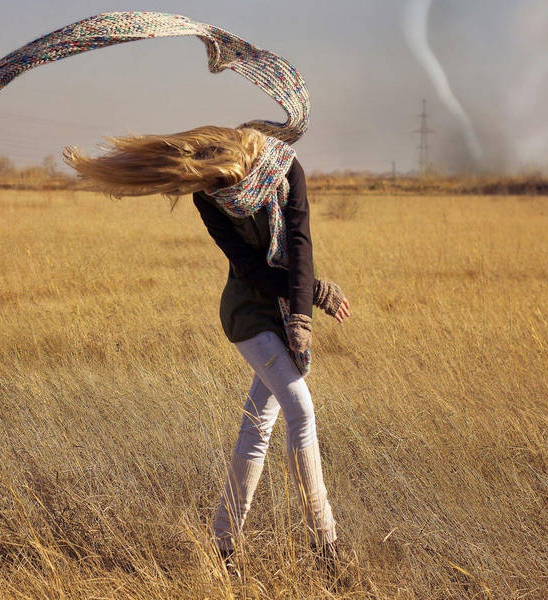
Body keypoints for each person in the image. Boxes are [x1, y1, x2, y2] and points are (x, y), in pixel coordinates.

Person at [63, 125, 352, 573]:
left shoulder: (285, 168)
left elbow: (299, 242)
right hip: (248, 315)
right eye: (219, 189)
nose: (226, 197)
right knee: (301, 409)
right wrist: (312, 293)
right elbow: (251, 269)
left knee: (257, 428)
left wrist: (301, 312)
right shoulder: (207, 196)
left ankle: (223, 545)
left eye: (232, 188)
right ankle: (326, 545)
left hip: (283, 308)